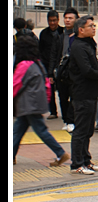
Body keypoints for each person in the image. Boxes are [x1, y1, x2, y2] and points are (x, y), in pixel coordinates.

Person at [12, 33, 70, 168]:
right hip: (35, 104)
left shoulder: (23, 65)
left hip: (28, 104)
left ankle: (61, 153)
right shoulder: (37, 64)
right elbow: (46, 85)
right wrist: (47, 100)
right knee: (18, 130)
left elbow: (16, 84)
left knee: (41, 131)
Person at [67, 16, 98, 175]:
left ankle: (86, 161)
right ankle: (77, 164)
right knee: (81, 130)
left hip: (91, 93)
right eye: (90, 26)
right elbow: (87, 70)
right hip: (82, 93)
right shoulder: (78, 46)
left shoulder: (89, 44)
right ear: (80, 30)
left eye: (94, 25)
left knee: (88, 129)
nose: (94, 28)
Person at [49, 7, 79, 133]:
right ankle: (66, 120)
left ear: (76, 20)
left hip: (75, 72)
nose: (67, 20)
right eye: (66, 18)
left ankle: (72, 120)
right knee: (62, 97)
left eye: (70, 18)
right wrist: (51, 72)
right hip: (62, 72)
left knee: (74, 97)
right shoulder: (60, 36)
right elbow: (54, 55)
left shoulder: (79, 36)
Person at [38, 10, 63, 119]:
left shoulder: (63, 32)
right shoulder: (44, 33)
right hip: (47, 65)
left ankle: (66, 113)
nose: (52, 23)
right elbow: (40, 50)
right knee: (50, 89)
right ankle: (53, 111)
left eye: (54, 20)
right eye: (50, 21)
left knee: (62, 91)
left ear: (58, 20)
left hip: (61, 65)